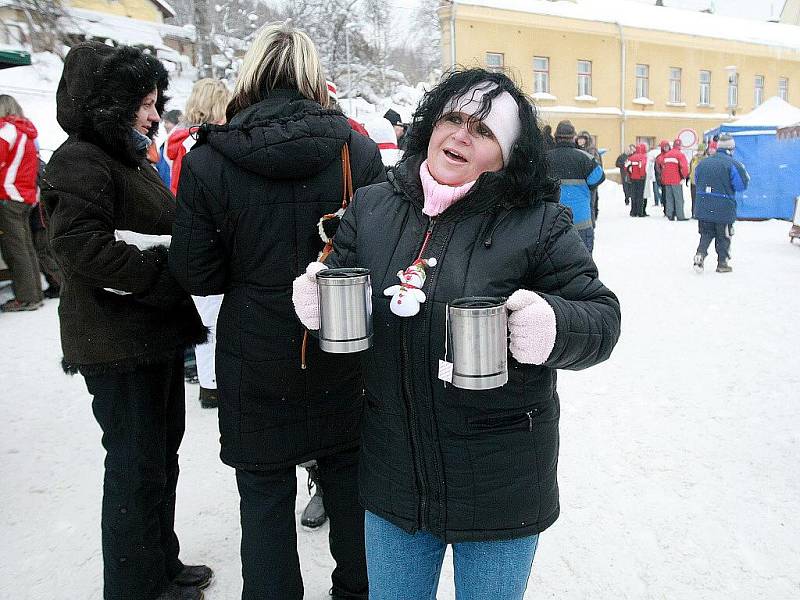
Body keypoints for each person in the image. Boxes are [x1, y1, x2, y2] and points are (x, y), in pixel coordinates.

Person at [292, 67, 621, 600]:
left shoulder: (539, 223)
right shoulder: (374, 207)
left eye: (485, 131)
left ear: (509, 156)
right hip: (394, 469)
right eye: (453, 118)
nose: (462, 135)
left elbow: (601, 318)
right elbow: (339, 271)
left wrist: (552, 324)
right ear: (432, 125)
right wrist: (317, 294)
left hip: (500, 478)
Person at [169, 23, 386, 600]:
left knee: (263, 496)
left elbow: (195, 271)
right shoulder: (356, 151)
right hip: (340, 344)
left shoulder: (208, 159)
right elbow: (384, 255)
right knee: (350, 486)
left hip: (254, 349)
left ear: (252, 75)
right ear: (314, 76)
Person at [41, 42, 211, 600]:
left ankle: (162, 563)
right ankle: (137, 586)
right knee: (135, 470)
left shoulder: (123, 159)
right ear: (108, 103)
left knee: (160, 459)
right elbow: (84, 253)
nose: (154, 113)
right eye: (144, 102)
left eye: (155, 100)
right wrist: (170, 270)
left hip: (150, 336)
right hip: (117, 343)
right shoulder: (78, 162)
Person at [165, 78, 230, 412]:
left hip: (190, 235)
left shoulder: (179, 145)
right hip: (208, 237)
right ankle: (213, 384)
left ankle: (210, 381)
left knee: (207, 318)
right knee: (212, 320)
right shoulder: (200, 148)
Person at [0, 94, 44, 311]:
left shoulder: (6, 130)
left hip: (8, 196)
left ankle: (26, 298)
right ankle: (34, 293)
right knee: (26, 247)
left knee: (15, 250)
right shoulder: (26, 132)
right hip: (24, 196)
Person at [693, 133, 749, 273]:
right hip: (723, 207)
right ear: (731, 149)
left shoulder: (703, 163)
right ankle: (722, 263)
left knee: (706, 234)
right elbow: (741, 185)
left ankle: (700, 255)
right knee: (723, 236)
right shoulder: (734, 164)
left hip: (703, 204)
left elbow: (696, 179)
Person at [547, 120, 605, 253]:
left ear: (556, 138)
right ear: (574, 138)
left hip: (553, 224)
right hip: (581, 222)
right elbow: (598, 178)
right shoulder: (585, 158)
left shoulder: (545, 159)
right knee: (583, 268)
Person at [657, 138, 689, 220]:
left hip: (667, 180)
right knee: (678, 199)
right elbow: (684, 168)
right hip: (676, 180)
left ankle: (669, 214)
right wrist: (684, 176)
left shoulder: (667, 155)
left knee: (669, 198)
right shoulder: (680, 155)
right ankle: (680, 216)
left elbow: (662, 167)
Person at [577, 129, 603, 224]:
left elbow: (598, 167)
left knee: (591, 204)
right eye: (579, 139)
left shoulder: (592, 151)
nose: (580, 141)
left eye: (582, 139)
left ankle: (591, 223)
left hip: (591, 182)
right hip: (580, 182)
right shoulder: (577, 150)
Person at [156, 109, 183, 187]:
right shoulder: (166, 143)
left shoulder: (178, 144)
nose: (164, 125)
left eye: (167, 122)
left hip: (170, 187)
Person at [625, 143, 648, 217]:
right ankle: (639, 212)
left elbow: (626, 166)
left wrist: (630, 172)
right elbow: (643, 167)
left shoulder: (631, 157)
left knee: (633, 195)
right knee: (640, 196)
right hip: (641, 179)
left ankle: (633, 212)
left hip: (633, 178)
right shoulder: (644, 157)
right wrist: (642, 175)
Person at [688, 141, 708, 217]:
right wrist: (688, 177)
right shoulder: (694, 158)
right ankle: (693, 212)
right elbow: (690, 168)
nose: (699, 152)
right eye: (698, 150)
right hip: (693, 182)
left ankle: (701, 213)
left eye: (701, 150)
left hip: (702, 182)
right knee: (693, 198)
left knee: (701, 198)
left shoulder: (706, 159)